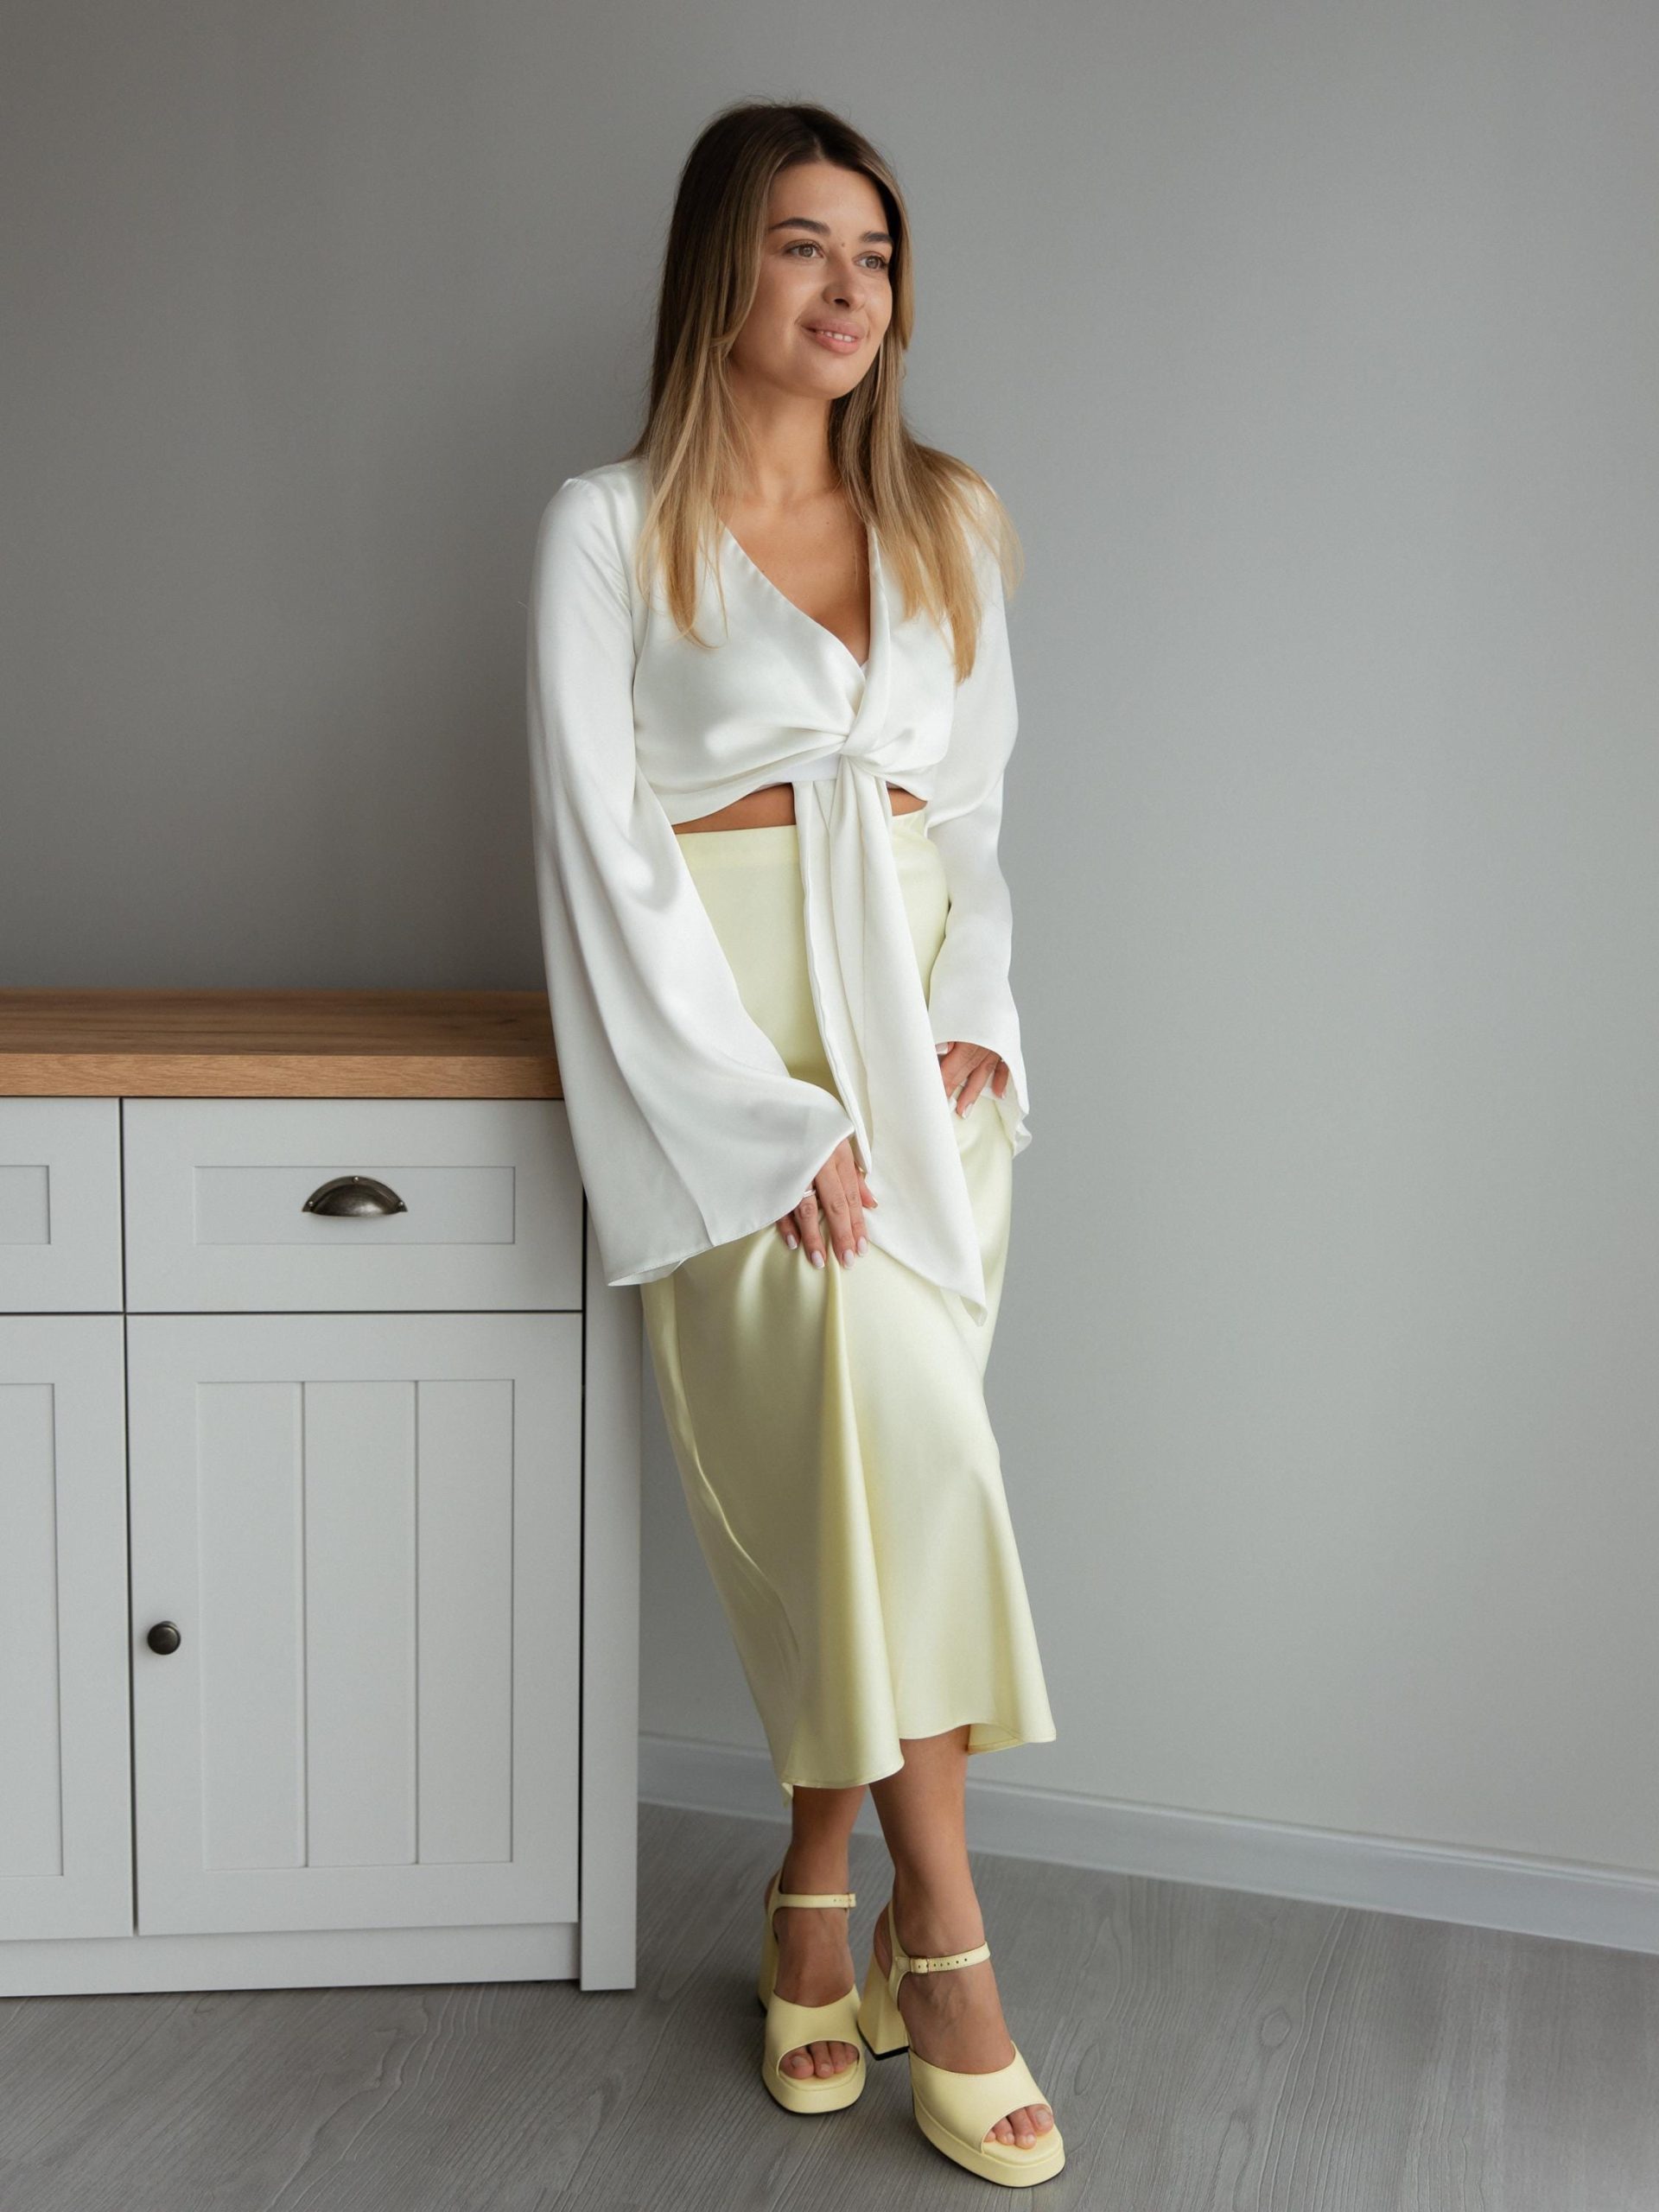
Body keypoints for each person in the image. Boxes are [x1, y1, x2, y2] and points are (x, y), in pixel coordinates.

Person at [524, 98, 1064, 2188]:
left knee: (887, 1489)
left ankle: (810, 1886)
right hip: (728, 1044)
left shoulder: (949, 513)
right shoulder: (609, 525)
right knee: (890, 1463)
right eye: (806, 246)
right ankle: (953, 1945)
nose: (854, 290)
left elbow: (976, 812)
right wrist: (763, 1119)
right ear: (719, 269)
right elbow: (602, 845)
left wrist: (974, 1005)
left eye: (879, 254)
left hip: (932, 1052)